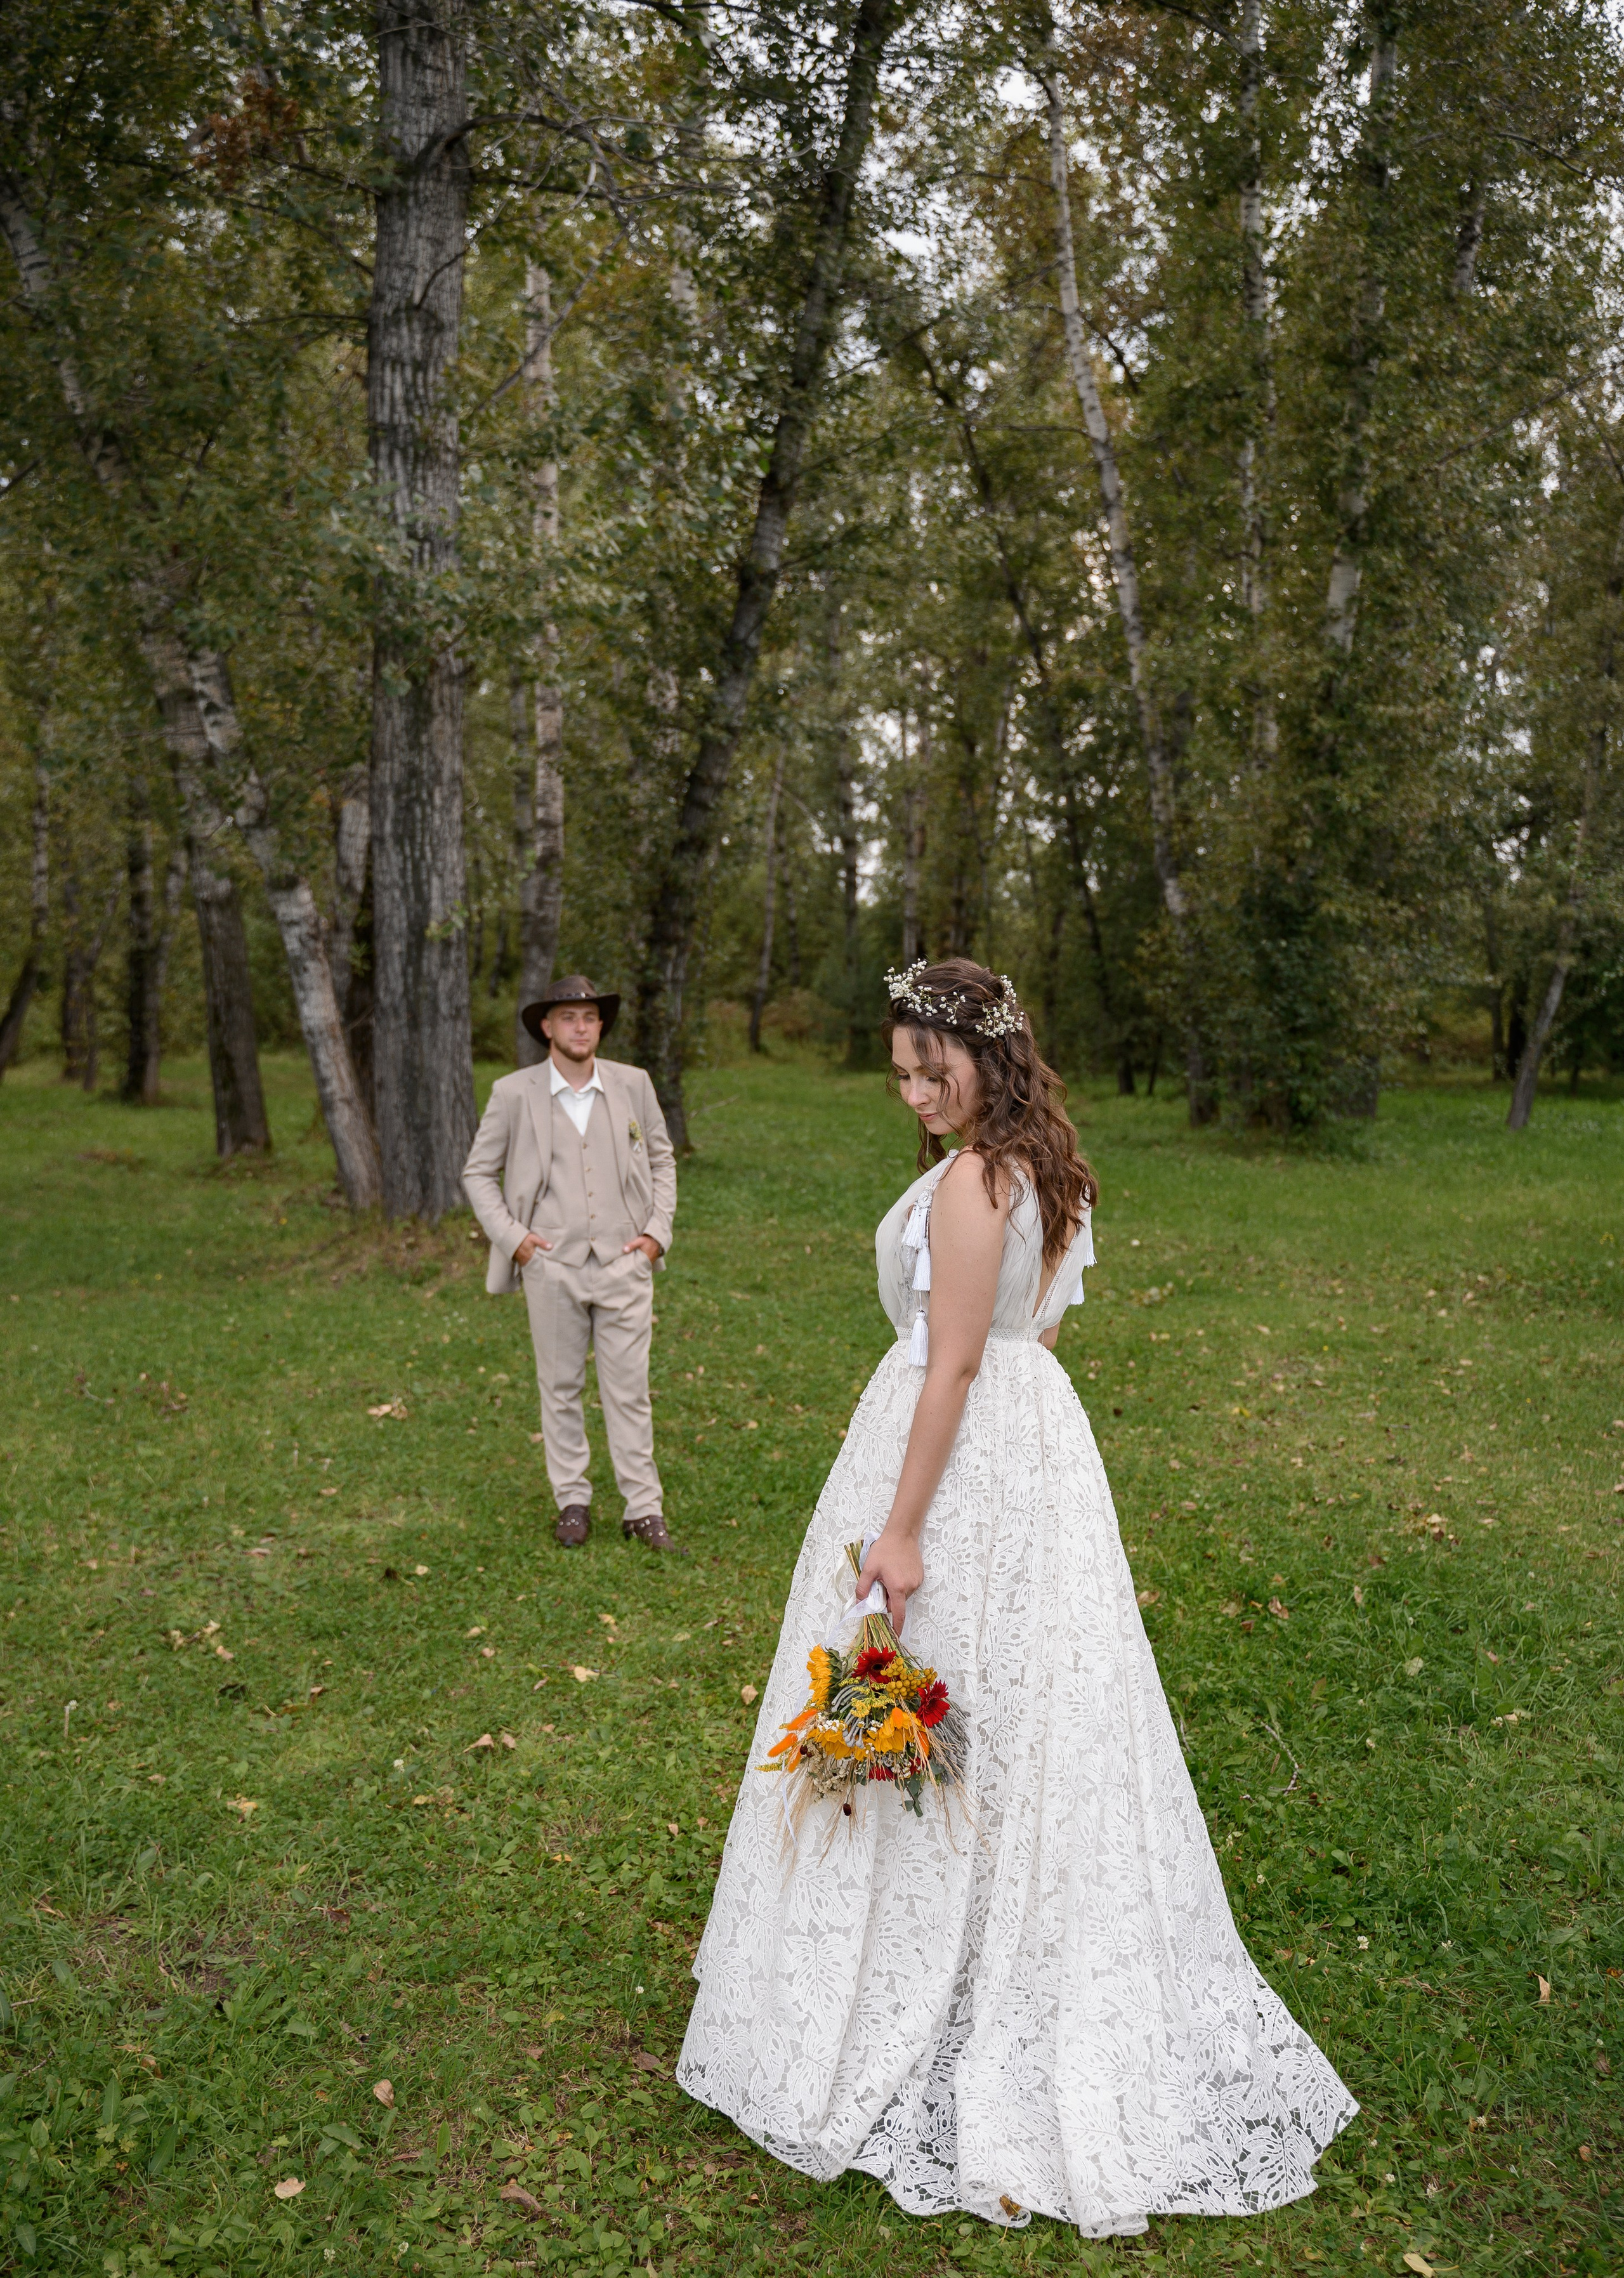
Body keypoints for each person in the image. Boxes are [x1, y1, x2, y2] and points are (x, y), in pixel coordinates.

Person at [678, 958, 1356, 2236]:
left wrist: (901, 1523)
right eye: (899, 1072)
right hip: (1037, 1451)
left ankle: (926, 1974)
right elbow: (1035, 1337)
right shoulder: (1047, 1171)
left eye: (933, 1068)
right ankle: (970, 1934)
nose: (916, 1091)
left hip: (954, 1456)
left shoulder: (969, 1186)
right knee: (1015, 1703)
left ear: (992, 1056)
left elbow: (947, 1369)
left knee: (935, 1693)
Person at [462, 975, 681, 1553]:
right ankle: (572, 1500)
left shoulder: (632, 1084)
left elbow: (661, 1157)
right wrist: (515, 1239)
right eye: (568, 1017)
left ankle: (643, 1507)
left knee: (629, 1389)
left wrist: (657, 1233)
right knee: (559, 1386)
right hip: (551, 1263)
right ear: (547, 1027)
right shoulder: (514, 1093)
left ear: (600, 1025)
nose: (579, 1027)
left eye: (589, 1017)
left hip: (623, 1260)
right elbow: (477, 1173)